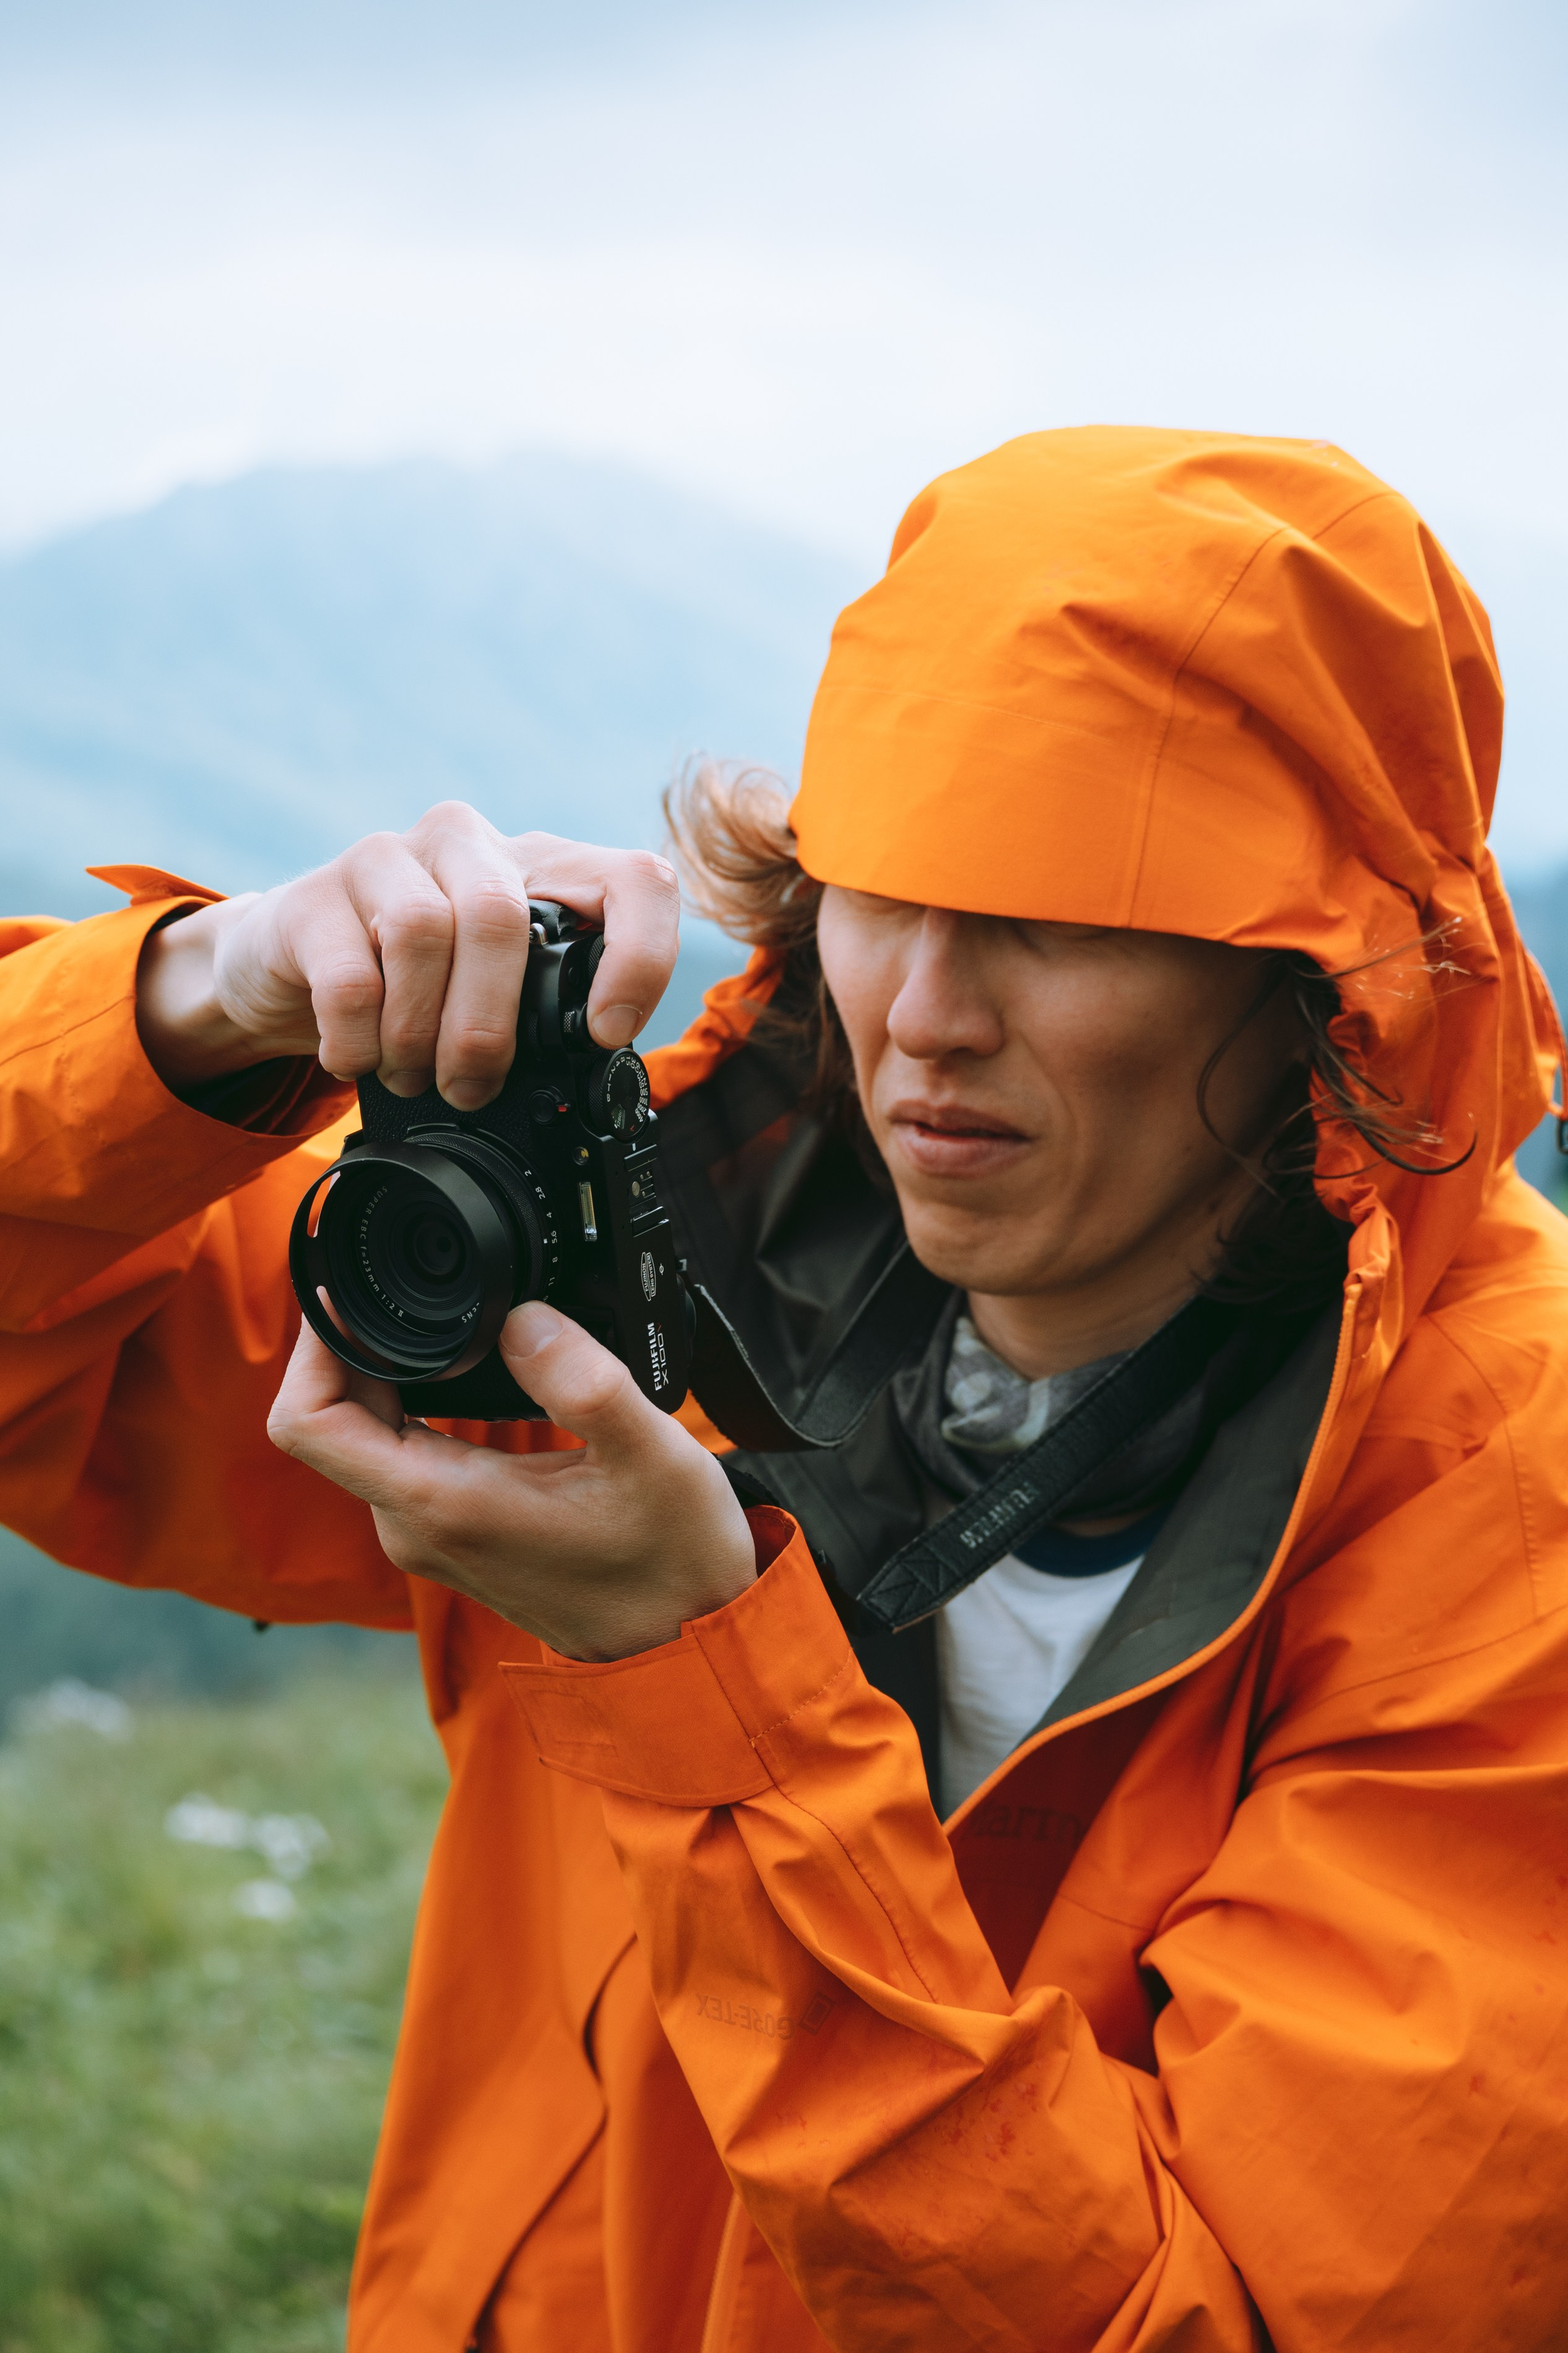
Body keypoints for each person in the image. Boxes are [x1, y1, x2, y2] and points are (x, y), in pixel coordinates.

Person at [2, 425, 1566, 2352]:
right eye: (885, 889)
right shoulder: (666, 1256)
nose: (923, 1018)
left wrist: (694, 1680)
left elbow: (1224, 2318)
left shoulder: (1510, 1522)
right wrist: (198, 1010)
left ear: (1330, 983)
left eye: (1062, 920)